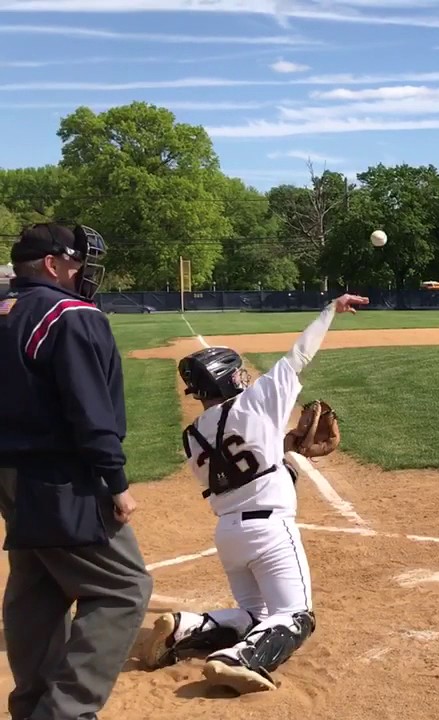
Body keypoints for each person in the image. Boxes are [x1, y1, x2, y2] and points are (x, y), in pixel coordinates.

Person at [137, 293, 368, 695]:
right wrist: (331, 310)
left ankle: (185, 628)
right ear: (229, 378)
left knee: (255, 615)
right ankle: (237, 659)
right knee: (296, 616)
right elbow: (299, 355)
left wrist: (285, 446)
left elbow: (239, 469)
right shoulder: (255, 403)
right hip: (270, 532)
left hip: (228, 535)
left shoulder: (192, 437)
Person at [0, 222, 153, 720]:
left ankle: (31, 707)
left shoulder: (5, 309)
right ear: (52, 264)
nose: (80, 271)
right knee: (124, 587)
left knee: (38, 586)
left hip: (12, 476)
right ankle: (64, 712)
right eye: (74, 262)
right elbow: (91, 411)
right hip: (60, 479)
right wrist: (116, 481)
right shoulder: (71, 314)